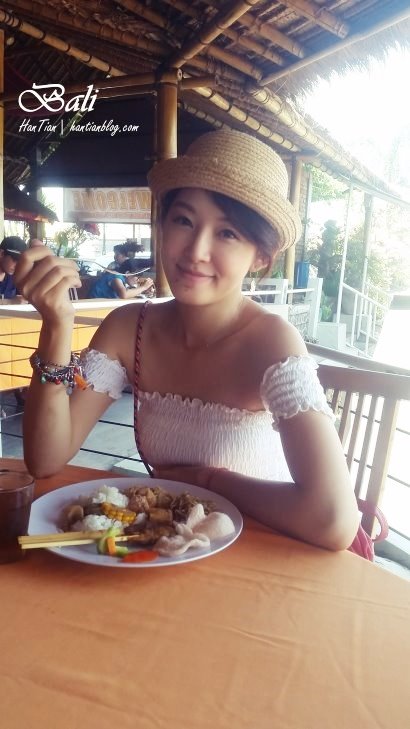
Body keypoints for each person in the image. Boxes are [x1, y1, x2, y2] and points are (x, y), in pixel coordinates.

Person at [15, 130, 359, 552]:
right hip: (170, 552)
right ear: (162, 226)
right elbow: (45, 460)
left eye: (228, 233)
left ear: (260, 257)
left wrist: (210, 480)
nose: (196, 250)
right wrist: (56, 325)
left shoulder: (272, 344)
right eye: (184, 220)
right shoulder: (129, 327)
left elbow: (334, 521)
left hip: (264, 554)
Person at [88, 258, 154, 299]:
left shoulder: (121, 278)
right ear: (127, 273)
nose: (138, 280)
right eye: (137, 276)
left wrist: (143, 291)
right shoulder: (116, 277)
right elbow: (124, 294)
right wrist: (144, 287)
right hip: (93, 305)